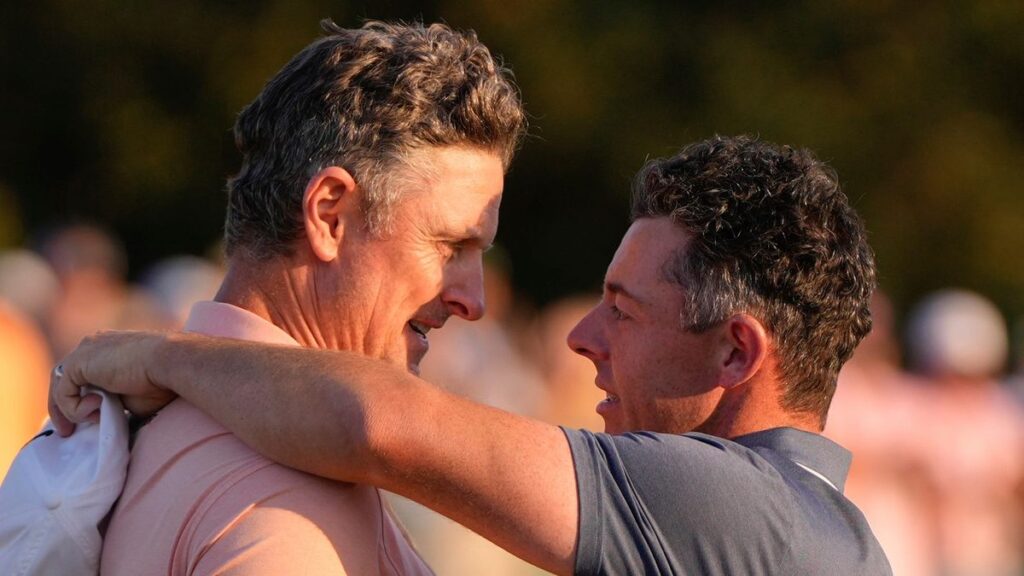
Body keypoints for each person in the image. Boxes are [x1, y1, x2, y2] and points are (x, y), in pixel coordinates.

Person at [53, 136, 892, 575]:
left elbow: (377, 420)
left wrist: (160, 359)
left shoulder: (744, 511)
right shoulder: (800, 531)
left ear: (736, 355)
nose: (580, 340)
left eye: (622, 313)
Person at [45, 18, 526, 575]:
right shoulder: (291, 503)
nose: (474, 301)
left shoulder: (142, 422)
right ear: (329, 215)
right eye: (450, 246)